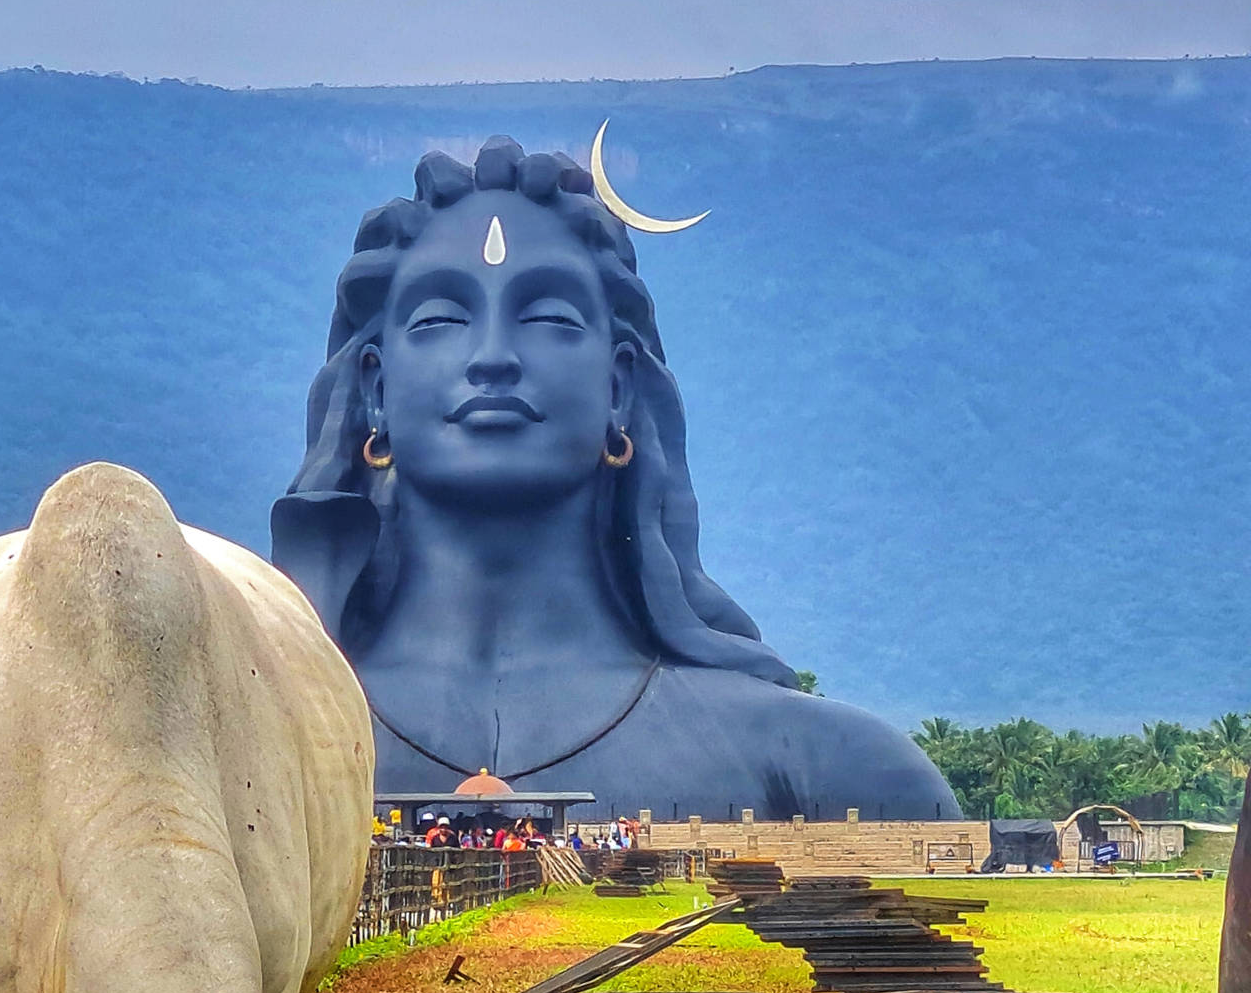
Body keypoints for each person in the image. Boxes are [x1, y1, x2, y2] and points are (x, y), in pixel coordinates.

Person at [272, 136, 957, 822]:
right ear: (374, 389)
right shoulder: (260, 748)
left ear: (621, 387)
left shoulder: (834, 771)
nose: (493, 357)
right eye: (442, 318)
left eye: (548, 317)